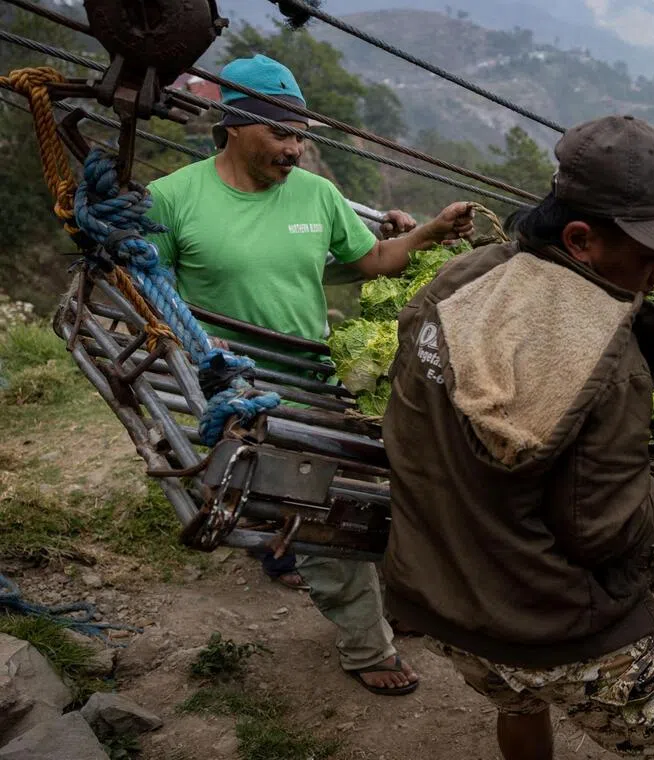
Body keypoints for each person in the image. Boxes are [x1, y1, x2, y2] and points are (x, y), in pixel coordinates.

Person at [381, 114, 654, 760]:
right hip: (539, 623)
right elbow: (602, 529)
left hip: (434, 594)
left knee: (516, 697)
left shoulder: (460, 280)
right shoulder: (610, 360)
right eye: (651, 255)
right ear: (580, 240)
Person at [145, 53, 475, 696]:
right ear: (235, 126)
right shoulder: (174, 198)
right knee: (316, 508)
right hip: (234, 389)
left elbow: (373, 257)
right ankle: (365, 645)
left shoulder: (317, 196)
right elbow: (145, 292)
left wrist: (432, 231)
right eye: (281, 134)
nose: (294, 148)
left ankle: (385, 595)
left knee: (380, 488)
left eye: (300, 135)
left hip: (315, 376)